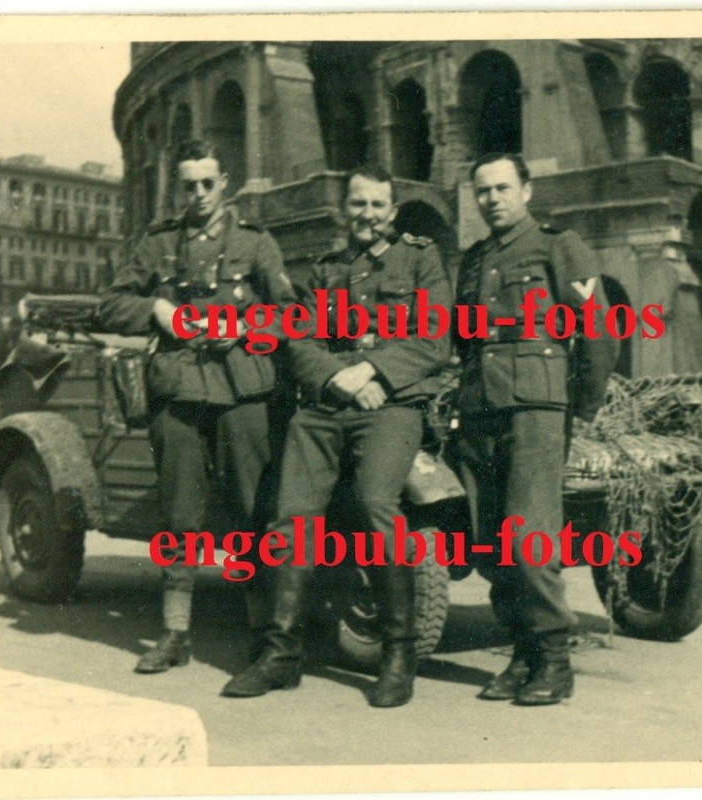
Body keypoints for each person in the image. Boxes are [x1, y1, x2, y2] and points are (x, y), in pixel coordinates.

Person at [222, 165, 452, 708]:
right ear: (344, 210)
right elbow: (297, 337)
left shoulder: (420, 259)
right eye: (358, 205)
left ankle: (399, 653)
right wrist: (335, 379)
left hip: (391, 403)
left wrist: (369, 373)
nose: (367, 215)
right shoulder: (326, 269)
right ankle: (281, 654)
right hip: (329, 405)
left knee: (377, 504)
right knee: (292, 514)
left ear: (392, 211)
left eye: (377, 205)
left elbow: (434, 338)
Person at [97, 140, 295, 675]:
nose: (200, 194)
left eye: (208, 183)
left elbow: (289, 316)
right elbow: (111, 304)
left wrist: (242, 326)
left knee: (253, 511)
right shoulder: (158, 243)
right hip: (178, 388)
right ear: (178, 187)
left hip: (240, 390)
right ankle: (175, 633)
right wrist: (156, 308)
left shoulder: (256, 243)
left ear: (224, 181)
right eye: (190, 185)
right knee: (180, 514)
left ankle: (263, 634)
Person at [452, 152, 618, 706]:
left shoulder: (557, 246)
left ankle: (553, 658)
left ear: (526, 190)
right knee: (493, 543)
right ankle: (522, 653)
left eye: (502, 188)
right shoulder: (472, 260)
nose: (492, 199)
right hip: (479, 410)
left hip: (536, 409)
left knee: (529, 537)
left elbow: (595, 328)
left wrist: (584, 404)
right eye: (483, 191)